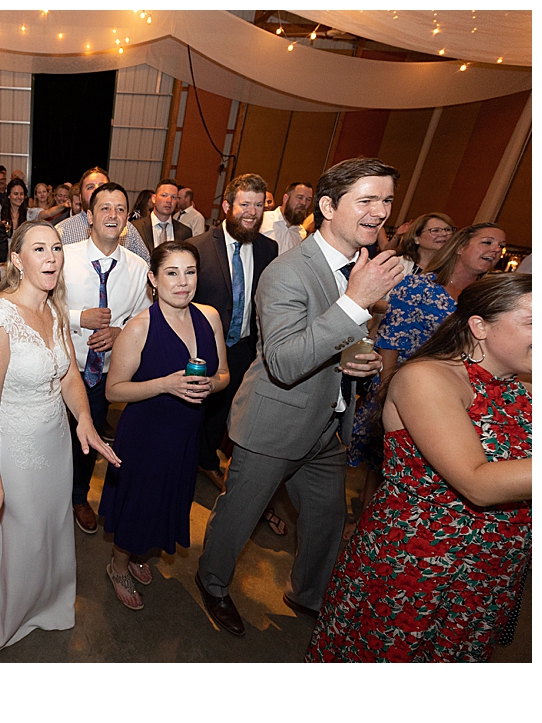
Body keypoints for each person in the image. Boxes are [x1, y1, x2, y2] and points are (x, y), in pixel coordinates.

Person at [194, 157, 405, 636]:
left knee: (328, 519)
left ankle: (309, 594)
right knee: (239, 516)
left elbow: (335, 340)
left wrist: (358, 359)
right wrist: (356, 302)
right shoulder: (287, 271)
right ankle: (212, 583)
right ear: (328, 206)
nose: (379, 212)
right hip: (274, 421)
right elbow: (286, 361)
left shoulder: (361, 266)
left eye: (387, 200)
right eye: (367, 200)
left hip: (326, 427)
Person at [308, 274, 531, 662]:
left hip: (490, 567)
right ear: (479, 326)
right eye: (533, 321)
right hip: (418, 562)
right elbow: (477, 483)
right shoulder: (426, 378)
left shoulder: (523, 381)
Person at [0, 220, 120, 653]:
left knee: (51, 525)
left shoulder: (55, 309)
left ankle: (49, 601)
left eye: (57, 249)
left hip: (55, 442)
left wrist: (84, 419)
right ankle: (11, 610)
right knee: (23, 533)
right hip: (15, 446)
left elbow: (68, 375)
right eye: (39, 249)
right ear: (17, 260)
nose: (51, 257)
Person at [99, 241, 229, 609]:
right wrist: (165, 384)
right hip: (146, 436)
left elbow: (223, 373)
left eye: (190, 272)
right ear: (153, 279)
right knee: (139, 505)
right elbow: (113, 391)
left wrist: (212, 384)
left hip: (186, 433)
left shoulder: (210, 317)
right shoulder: (140, 327)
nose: (183, 282)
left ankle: (141, 553)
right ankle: (118, 564)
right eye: (172, 273)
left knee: (167, 501)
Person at [346, 223, 507, 514]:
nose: (495, 250)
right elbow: (391, 341)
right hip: (408, 389)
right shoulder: (420, 287)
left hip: (460, 395)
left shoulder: (490, 298)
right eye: (486, 242)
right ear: (460, 246)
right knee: (388, 463)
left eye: (499, 245)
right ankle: (367, 519)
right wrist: (385, 393)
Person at [189, 173, 285, 536]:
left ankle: (207, 459)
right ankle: (190, 461)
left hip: (245, 345)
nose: (252, 212)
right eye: (245, 204)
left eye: (259, 206)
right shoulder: (198, 245)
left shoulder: (267, 249)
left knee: (228, 408)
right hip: (203, 346)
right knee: (196, 406)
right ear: (228, 206)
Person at [62, 182, 152, 533]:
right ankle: (48, 500)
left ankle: (79, 497)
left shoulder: (137, 267)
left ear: (127, 219)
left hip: (102, 377)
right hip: (61, 371)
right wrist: (77, 318)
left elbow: (143, 318)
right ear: (89, 215)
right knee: (51, 440)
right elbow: (37, 307)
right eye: (104, 208)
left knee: (90, 441)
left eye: (119, 209)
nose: (112, 215)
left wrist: (120, 333)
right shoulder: (64, 258)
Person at [58, 167, 150, 263]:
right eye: (90, 187)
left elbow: (146, 264)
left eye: (102, 186)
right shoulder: (63, 231)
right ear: (80, 197)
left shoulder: (128, 230)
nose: (97, 190)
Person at [131, 178, 193, 256]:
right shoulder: (135, 228)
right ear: (154, 198)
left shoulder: (185, 232)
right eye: (164, 195)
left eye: (173, 197)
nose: (169, 200)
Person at [260, 181, 314, 255]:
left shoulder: (301, 234)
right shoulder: (263, 220)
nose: (304, 203)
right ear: (286, 198)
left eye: (308, 199)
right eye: (300, 197)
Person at [394, 212, 456, 276]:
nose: (444, 234)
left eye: (448, 230)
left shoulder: (454, 269)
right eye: (435, 230)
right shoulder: (397, 266)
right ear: (416, 239)